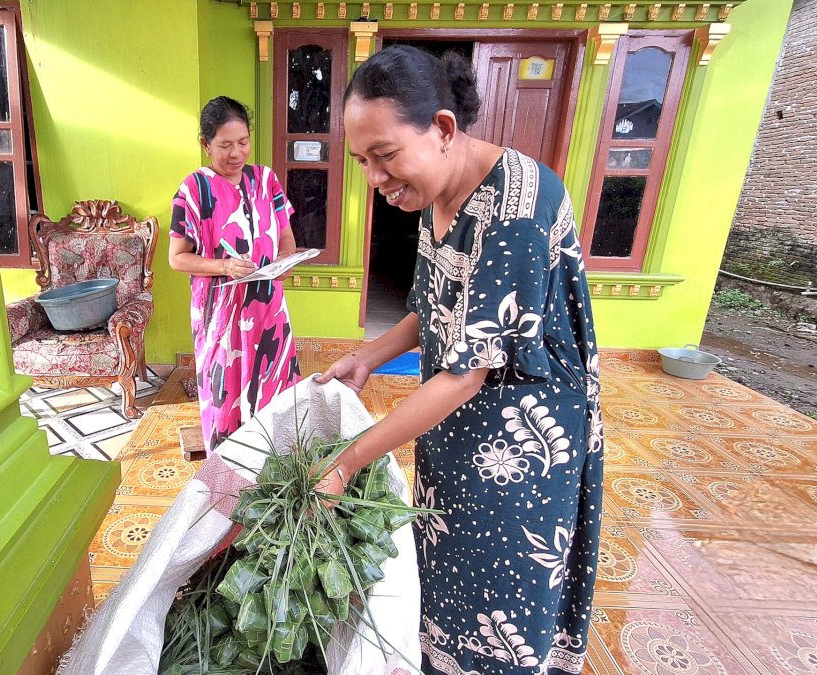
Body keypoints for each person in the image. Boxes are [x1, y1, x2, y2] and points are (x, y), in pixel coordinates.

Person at [315, 46, 604, 674]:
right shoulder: (436, 194)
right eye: (362, 161)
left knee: (497, 601)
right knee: (441, 574)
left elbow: (468, 368)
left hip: (521, 444)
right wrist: (370, 355)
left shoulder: (517, 209)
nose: (375, 179)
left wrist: (345, 463)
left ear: (443, 129)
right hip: (451, 425)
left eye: (385, 156)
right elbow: (436, 306)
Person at [169, 96, 301, 452]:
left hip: (267, 307)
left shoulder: (266, 180)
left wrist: (286, 259)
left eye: (243, 142)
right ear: (205, 143)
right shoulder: (193, 189)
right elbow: (178, 258)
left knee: (274, 387)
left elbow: (284, 231)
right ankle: (227, 476)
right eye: (225, 145)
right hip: (221, 315)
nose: (236, 153)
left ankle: (276, 467)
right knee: (225, 391)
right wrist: (224, 267)